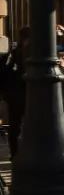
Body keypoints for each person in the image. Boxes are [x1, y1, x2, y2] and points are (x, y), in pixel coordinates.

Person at [1, 27, 28, 156]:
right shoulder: (18, 52)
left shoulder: (13, 52)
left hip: (14, 93)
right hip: (21, 92)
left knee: (16, 124)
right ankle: (18, 152)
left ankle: (15, 153)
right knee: (19, 124)